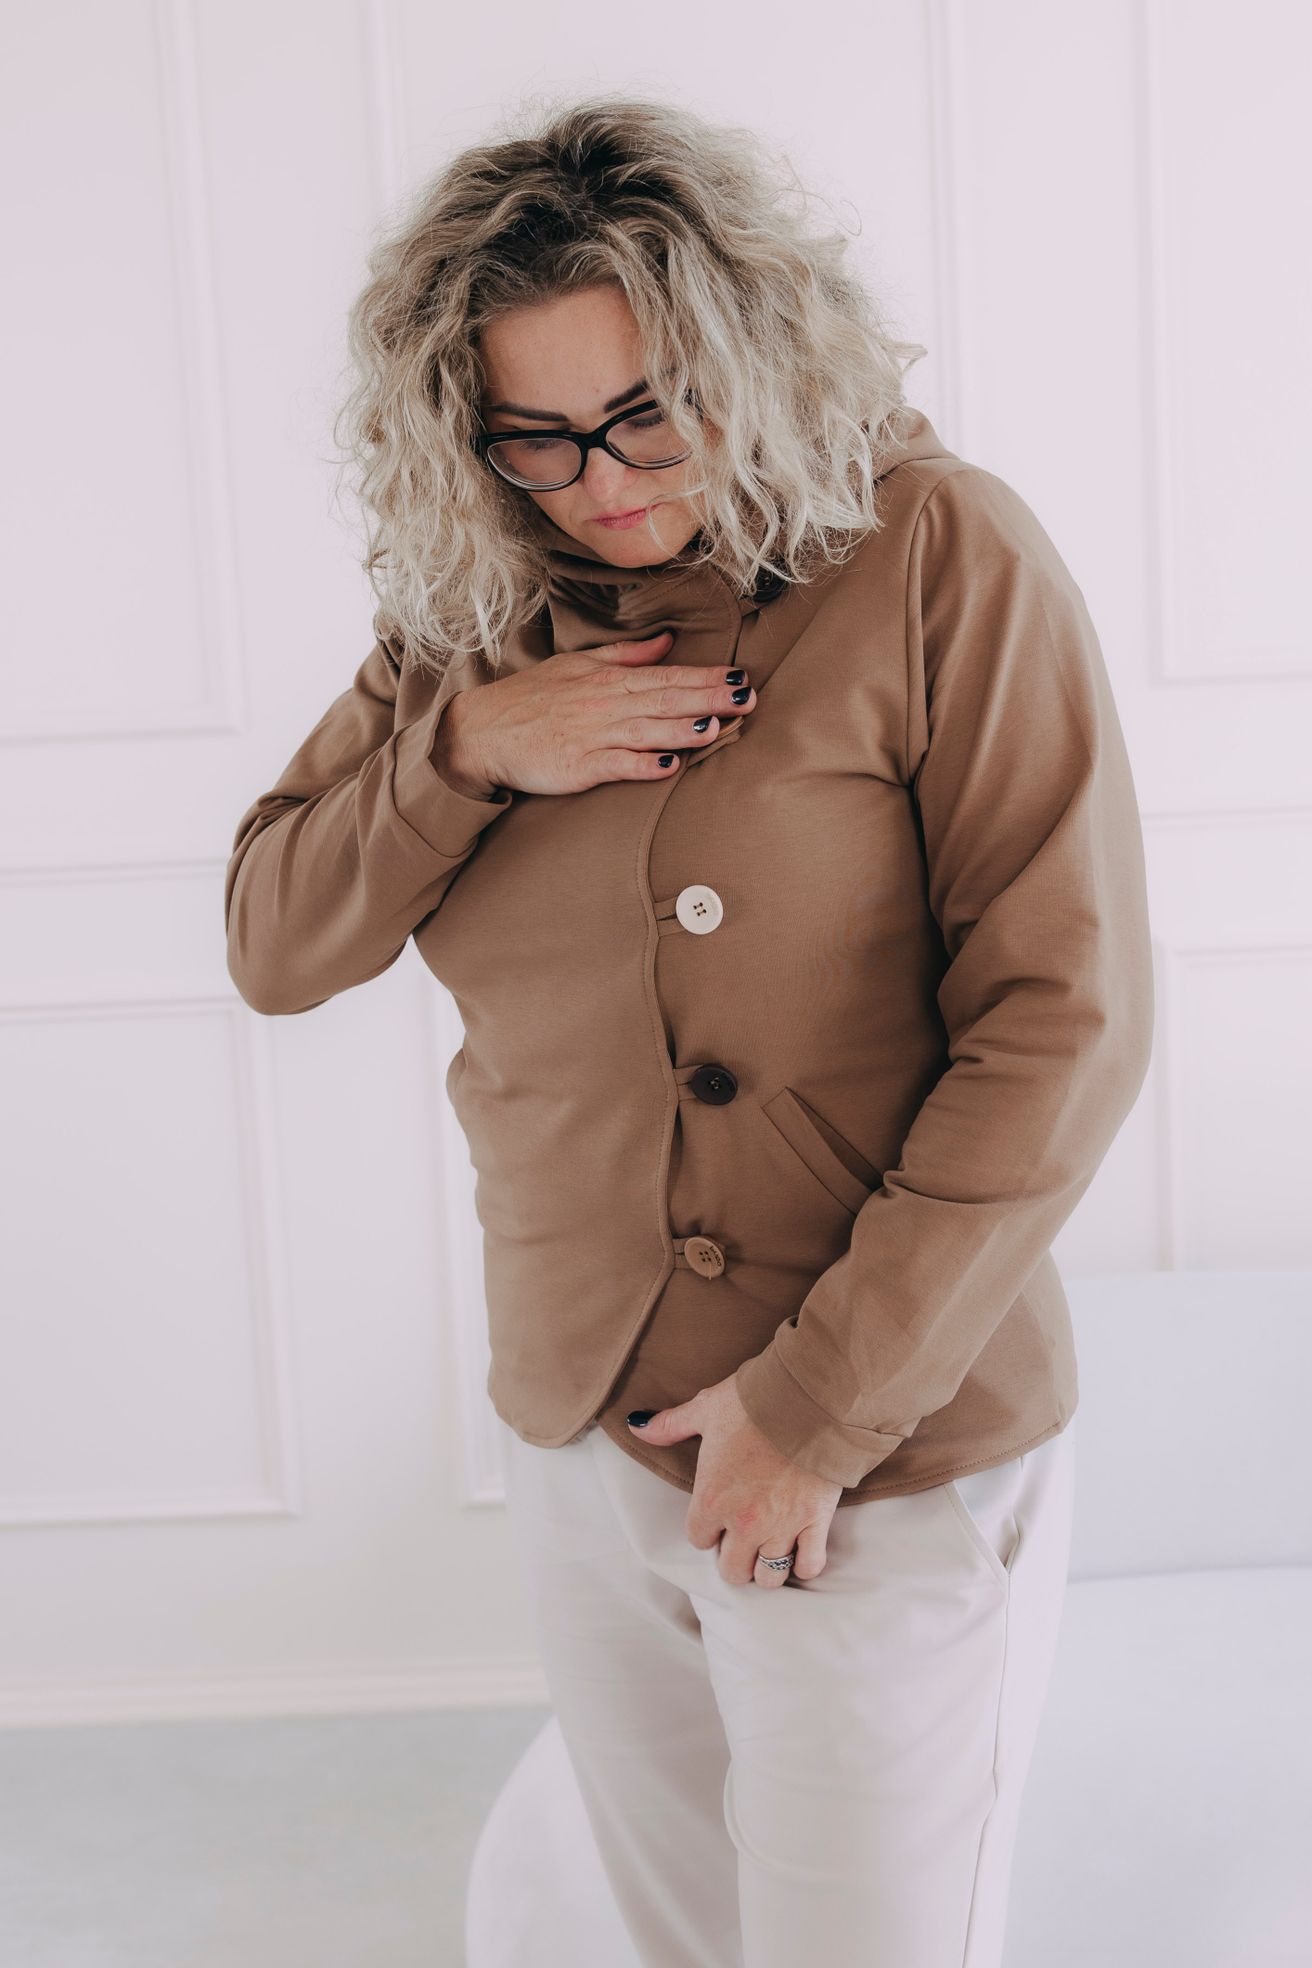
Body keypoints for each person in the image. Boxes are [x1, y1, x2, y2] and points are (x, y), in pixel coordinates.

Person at [225, 94, 1154, 1968]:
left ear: (750, 358)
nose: (604, 482)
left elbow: (1065, 1020)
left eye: (649, 413)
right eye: (538, 436)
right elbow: (275, 939)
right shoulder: (471, 622)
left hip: (878, 1443)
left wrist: (813, 1415)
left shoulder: (936, 550)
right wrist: (469, 749)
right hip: (587, 1430)